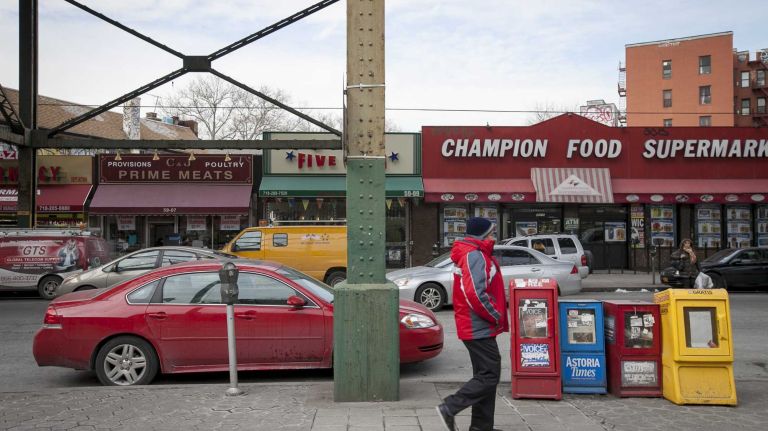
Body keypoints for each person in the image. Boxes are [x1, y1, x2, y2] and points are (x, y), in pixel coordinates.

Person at [436, 217, 508, 431]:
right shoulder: (474, 255)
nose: (493, 236)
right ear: (482, 235)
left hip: (477, 326)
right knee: (490, 375)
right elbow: (474, 293)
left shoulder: (474, 253)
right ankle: (450, 406)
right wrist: (495, 315)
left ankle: (481, 427)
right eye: (491, 233)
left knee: (485, 376)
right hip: (479, 326)